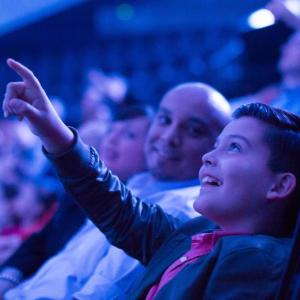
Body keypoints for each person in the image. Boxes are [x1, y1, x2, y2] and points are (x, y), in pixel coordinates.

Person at [1, 59, 233, 299]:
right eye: (164, 120)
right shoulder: (140, 185)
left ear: (215, 149)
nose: (169, 137)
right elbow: (44, 248)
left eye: (194, 130)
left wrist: (53, 131)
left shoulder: (179, 210)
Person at [231, 0, 300, 115]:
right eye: (288, 43)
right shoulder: (270, 95)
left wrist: (291, 15)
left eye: (297, 45)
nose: (285, 48)